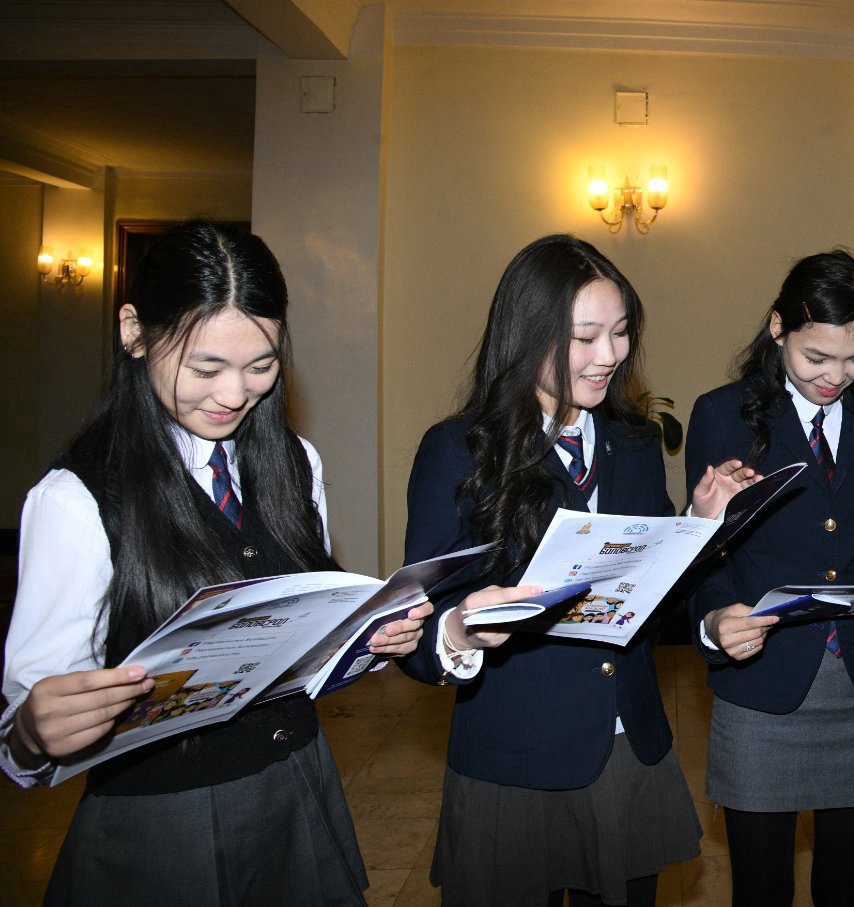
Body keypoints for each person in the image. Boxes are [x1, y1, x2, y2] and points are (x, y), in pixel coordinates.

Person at [0, 220, 429, 905]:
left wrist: (367, 642)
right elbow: (29, 727)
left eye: (261, 366)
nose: (234, 394)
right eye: (205, 369)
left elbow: (301, 648)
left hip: (297, 786)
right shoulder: (76, 498)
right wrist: (32, 732)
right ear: (134, 332)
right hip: (162, 825)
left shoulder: (295, 461)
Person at [397, 234, 754, 907]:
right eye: (585, 336)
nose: (610, 355)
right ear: (525, 335)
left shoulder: (633, 442)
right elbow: (415, 628)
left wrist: (699, 525)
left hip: (625, 742)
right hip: (515, 754)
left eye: (620, 332)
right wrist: (460, 629)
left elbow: (653, 596)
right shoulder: (460, 450)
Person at [687, 250, 854, 907]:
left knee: (847, 886)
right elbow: (702, 551)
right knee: (761, 888)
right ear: (777, 327)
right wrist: (716, 620)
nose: (836, 376)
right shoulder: (723, 414)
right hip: (763, 681)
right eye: (817, 357)